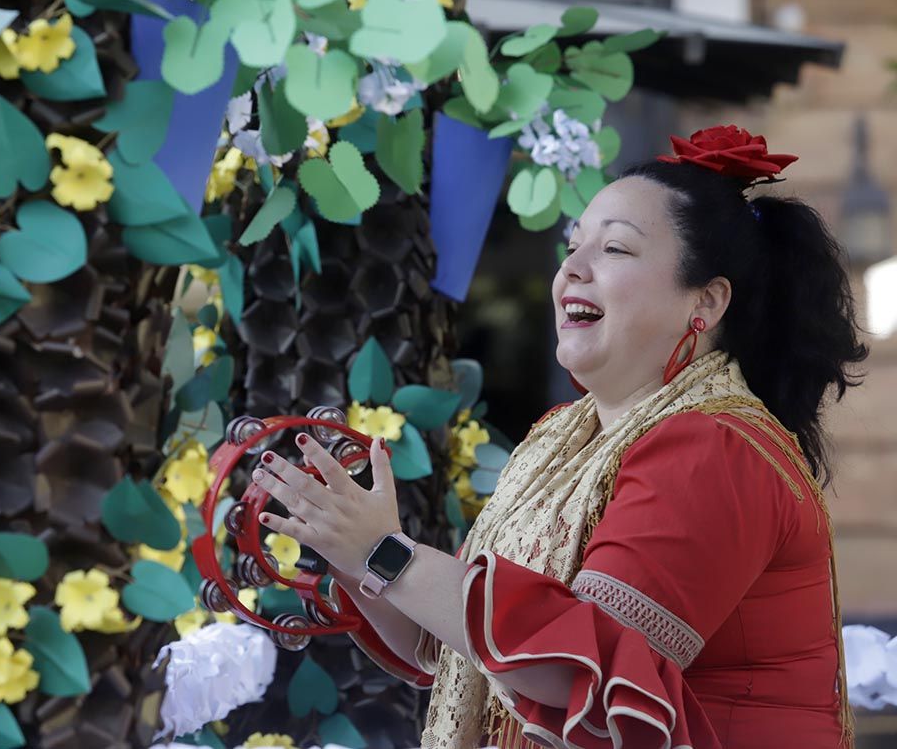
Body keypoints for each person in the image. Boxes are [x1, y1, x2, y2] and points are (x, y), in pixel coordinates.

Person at [248, 126, 869, 749]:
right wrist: (349, 546)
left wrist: (387, 553)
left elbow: (577, 665)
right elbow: (452, 646)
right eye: (573, 247)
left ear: (704, 301)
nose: (572, 268)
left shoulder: (716, 446)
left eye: (616, 250)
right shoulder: (564, 436)